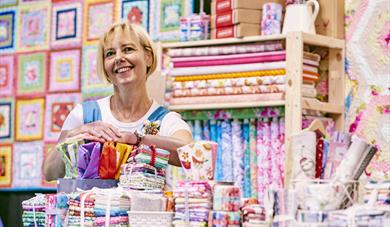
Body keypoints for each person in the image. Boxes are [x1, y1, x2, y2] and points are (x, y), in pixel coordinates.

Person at [44, 22, 193, 181]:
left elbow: (191, 154)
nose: (119, 58)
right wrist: (75, 134)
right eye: (110, 53)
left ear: (148, 57)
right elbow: (50, 172)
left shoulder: (164, 120)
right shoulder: (84, 114)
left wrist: (137, 140)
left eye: (128, 49)